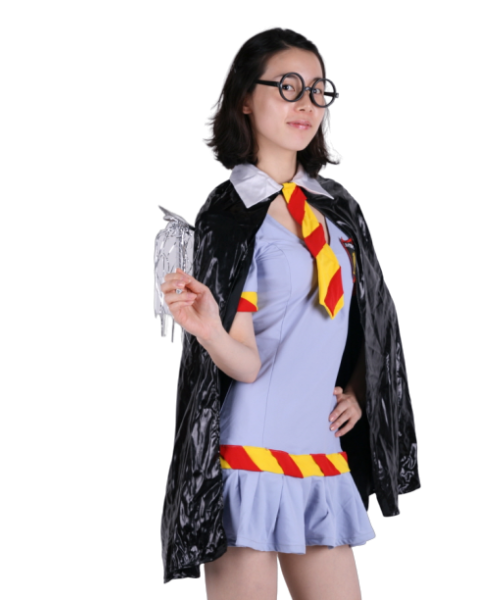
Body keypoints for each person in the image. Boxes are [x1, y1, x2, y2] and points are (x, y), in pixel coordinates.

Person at [159, 26, 421, 598]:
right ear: (244, 99)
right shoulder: (229, 215)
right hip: (247, 455)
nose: (306, 104)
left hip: (320, 453)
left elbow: (373, 322)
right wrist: (207, 329)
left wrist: (359, 388)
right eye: (287, 87)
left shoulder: (338, 209)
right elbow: (247, 364)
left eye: (318, 91)